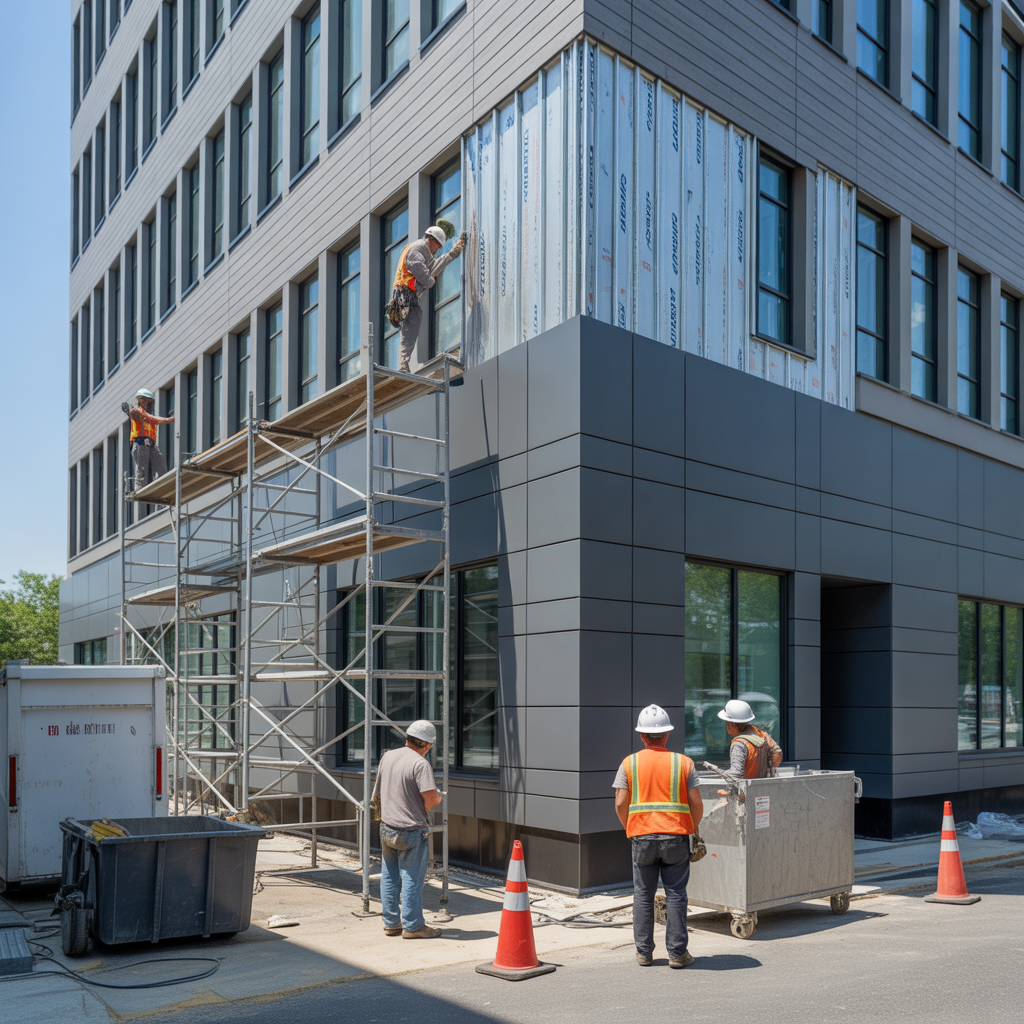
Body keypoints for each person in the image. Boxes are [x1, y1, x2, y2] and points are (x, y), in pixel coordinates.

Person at [613, 705, 703, 968]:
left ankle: (644, 953)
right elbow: (696, 803)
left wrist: (631, 828)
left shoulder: (629, 763)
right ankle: (677, 954)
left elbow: (620, 802)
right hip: (676, 837)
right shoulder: (683, 763)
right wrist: (693, 829)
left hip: (641, 837)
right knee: (676, 894)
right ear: (667, 734)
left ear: (642, 736)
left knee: (643, 894)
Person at [374, 720, 444, 939]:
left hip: (387, 827)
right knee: (412, 877)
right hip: (412, 830)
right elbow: (431, 799)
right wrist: (439, 796)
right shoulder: (420, 764)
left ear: (407, 737)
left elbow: (377, 794)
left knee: (389, 875)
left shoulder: (388, 756)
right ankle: (413, 926)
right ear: (428, 745)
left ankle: (391, 923)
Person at [388, 225, 466, 373]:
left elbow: (434, 265)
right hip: (405, 294)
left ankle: (403, 365)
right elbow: (423, 275)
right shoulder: (416, 250)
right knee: (409, 329)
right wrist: (431, 281)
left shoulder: (423, 252)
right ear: (431, 240)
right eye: (437, 245)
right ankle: (403, 366)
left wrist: (452, 254)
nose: (437, 249)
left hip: (408, 294)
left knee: (412, 326)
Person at [122, 388, 174, 493]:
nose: (146, 403)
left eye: (148, 401)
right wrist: (167, 420)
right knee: (142, 468)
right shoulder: (136, 411)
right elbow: (147, 417)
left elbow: (151, 419)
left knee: (161, 465)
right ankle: (138, 488)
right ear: (140, 400)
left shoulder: (149, 416)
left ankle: (162, 485)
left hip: (151, 444)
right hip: (140, 443)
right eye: (144, 400)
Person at [719, 699, 783, 779]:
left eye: (727, 722)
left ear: (731, 725)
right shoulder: (763, 735)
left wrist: (722, 773)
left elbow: (736, 774)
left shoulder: (739, 744)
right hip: (763, 786)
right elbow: (777, 753)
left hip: (746, 789)